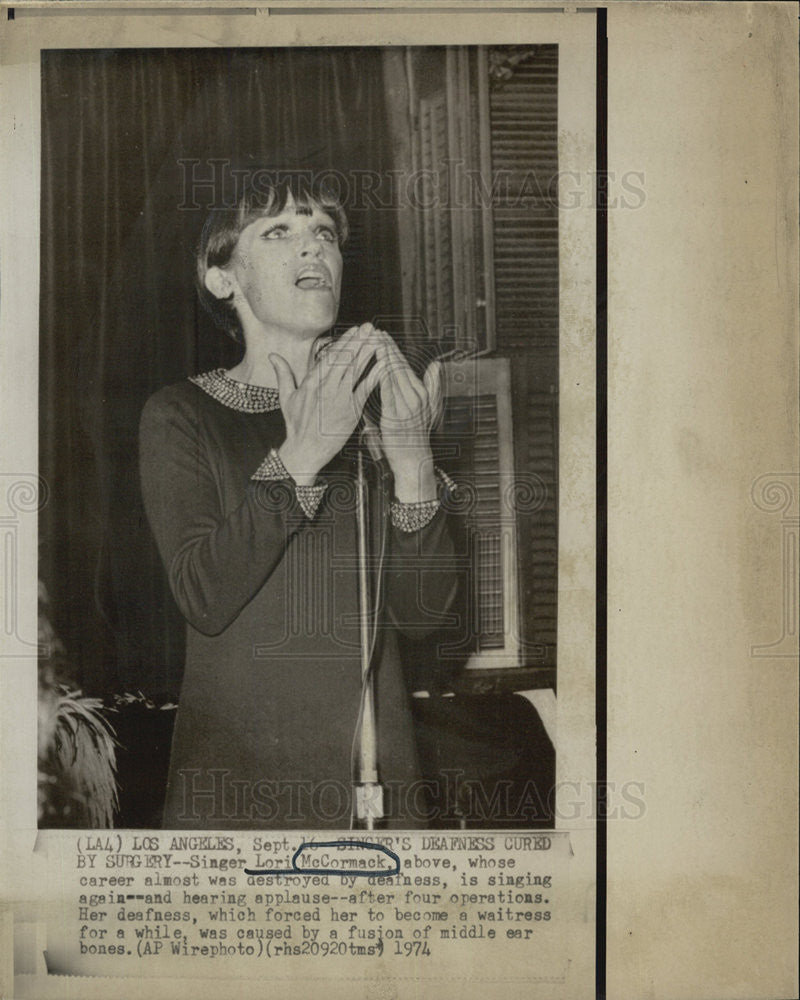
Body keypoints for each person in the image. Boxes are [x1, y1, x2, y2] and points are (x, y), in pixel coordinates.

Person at [139, 173, 461, 830]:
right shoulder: (181, 414)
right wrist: (300, 457)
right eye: (278, 231)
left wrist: (415, 468)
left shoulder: (380, 416)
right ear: (221, 277)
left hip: (378, 797)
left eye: (324, 233)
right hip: (240, 800)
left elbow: (425, 616)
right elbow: (203, 592)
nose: (312, 248)